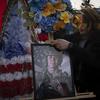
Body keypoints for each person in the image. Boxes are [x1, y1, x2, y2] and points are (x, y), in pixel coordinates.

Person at [50, 7, 100, 99]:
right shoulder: (75, 37)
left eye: (85, 23)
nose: (81, 26)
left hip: (94, 90)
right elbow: (60, 40)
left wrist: (70, 46)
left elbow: (94, 60)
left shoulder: (97, 38)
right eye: (78, 22)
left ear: (92, 23)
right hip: (76, 89)